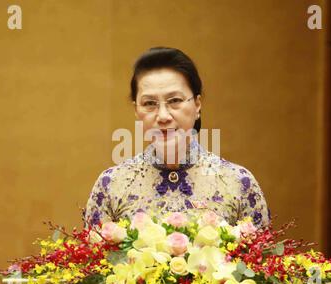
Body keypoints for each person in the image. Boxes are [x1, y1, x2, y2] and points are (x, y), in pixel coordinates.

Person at [84, 47, 270, 228]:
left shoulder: (238, 183)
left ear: (197, 104)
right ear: (136, 110)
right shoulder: (111, 185)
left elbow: (262, 258)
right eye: (149, 103)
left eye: (175, 101)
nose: (163, 116)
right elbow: (93, 258)